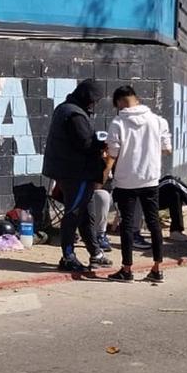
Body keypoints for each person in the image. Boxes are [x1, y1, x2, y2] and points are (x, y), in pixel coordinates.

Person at [42, 78, 111, 274]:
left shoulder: (66, 108)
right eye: (94, 100)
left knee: (86, 213)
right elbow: (85, 143)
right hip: (76, 172)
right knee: (73, 213)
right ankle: (68, 256)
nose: (94, 104)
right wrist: (103, 144)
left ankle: (95, 252)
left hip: (70, 171)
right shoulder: (75, 115)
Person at [104, 86, 172, 283]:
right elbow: (167, 149)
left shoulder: (118, 122)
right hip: (150, 178)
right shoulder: (158, 121)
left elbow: (113, 153)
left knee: (127, 224)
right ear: (137, 98)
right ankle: (157, 268)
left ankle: (126, 269)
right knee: (153, 222)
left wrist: (105, 173)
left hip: (126, 180)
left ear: (118, 103)